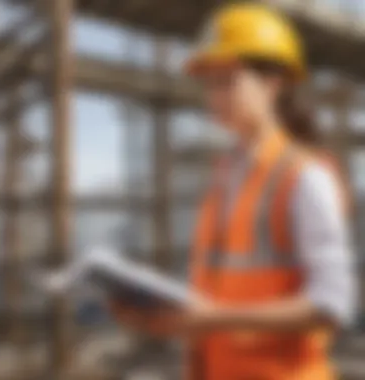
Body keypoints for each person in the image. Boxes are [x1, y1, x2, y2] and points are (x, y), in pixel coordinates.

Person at [114, 4, 357, 380]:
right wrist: (164, 312)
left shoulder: (304, 176)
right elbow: (222, 287)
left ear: (272, 83)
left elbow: (333, 303)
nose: (214, 98)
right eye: (209, 84)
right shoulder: (226, 176)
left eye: (228, 82)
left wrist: (212, 318)